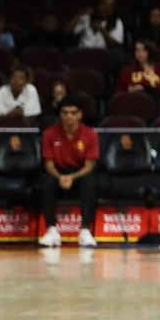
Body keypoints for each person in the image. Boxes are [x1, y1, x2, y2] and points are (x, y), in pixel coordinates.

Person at [36, 96, 99, 248]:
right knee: (45, 182)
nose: (69, 116)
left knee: (90, 181)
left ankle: (85, 231)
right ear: (60, 115)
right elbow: (49, 164)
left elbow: (89, 166)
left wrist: (71, 177)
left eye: (73, 112)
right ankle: (51, 230)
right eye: (65, 113)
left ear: (80, 115)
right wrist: (60, 177)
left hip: (79, 173)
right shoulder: (49, 134)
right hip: (57, 172)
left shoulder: (90, 134)